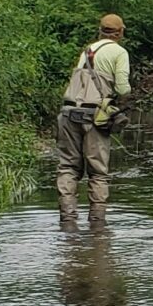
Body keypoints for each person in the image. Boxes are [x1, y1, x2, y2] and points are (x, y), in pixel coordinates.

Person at [56, 12, 131, 224]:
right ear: (120, 33)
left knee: (68, 167)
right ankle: (98, 224)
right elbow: (123, 88)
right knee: (98, 172)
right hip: (95, 117)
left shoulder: (87, 51)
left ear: (100, 31)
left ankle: (68, 219)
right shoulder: (119, 52)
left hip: (69, 113)